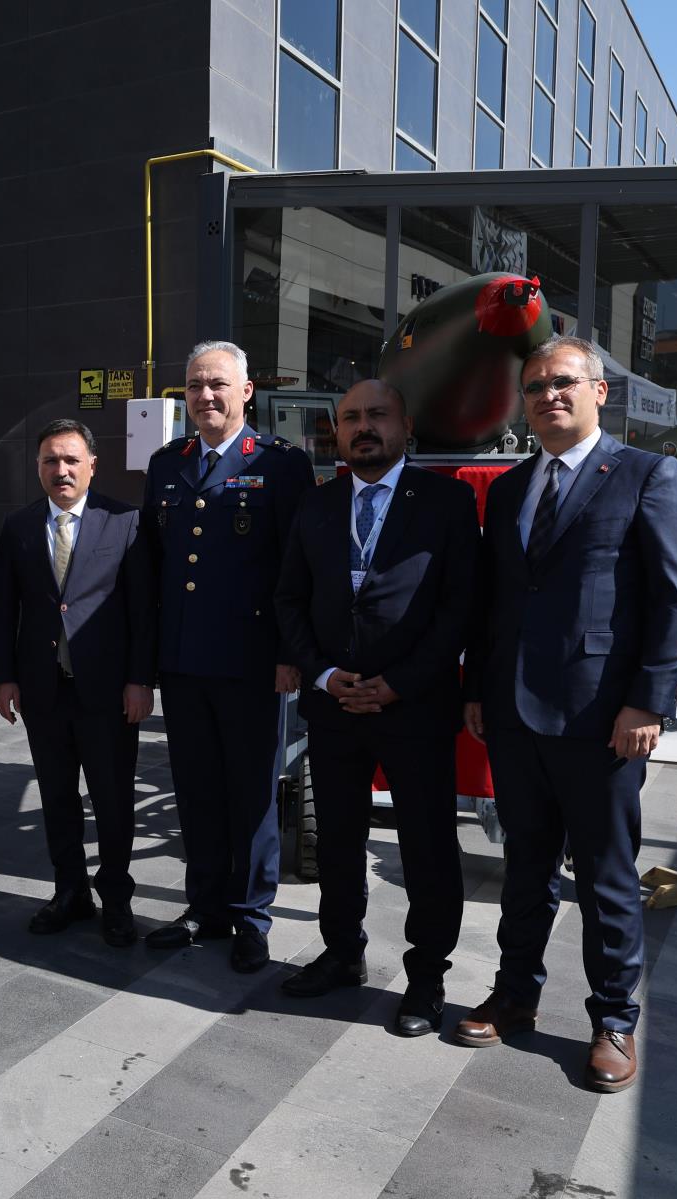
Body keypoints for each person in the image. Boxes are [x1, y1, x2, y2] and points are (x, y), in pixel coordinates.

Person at [459, 334, 677, 1092]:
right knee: (525, 866)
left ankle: (613, 1020)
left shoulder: (647, 475)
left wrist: (647, 701)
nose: (547, 396)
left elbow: (674, 597)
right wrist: (477, 688)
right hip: (514, 714)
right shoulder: (509, 488)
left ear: (599, 391)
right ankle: (514, 995)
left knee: (604, 877)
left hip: (601, 719)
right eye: (534, 387)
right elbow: (496, 602)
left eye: (562, 381)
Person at [274, 380, 479, 1035]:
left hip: (414, 707)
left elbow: (459, 607)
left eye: (377, 415)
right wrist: (322, 673)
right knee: (336, 841)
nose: (364, 427)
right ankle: (342, 953)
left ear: (405, 425)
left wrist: (399, 682)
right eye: (351, 418)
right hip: (333, 706)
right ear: (336, 431)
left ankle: (426, 977)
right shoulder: (316, 503)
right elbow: (289, 599)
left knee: (426, 847)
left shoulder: (446, 501)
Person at [141, 340, 314, 972]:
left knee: (252, 793)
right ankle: (206, 908)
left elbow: (298, 569)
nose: (205, 396)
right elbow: (153, 567)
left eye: (217, 384)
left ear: (246, 392)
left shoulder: (279, 464)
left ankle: (251, 916)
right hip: (184, 660)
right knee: (196, 790)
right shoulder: (168, 463)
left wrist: (292, 653)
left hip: (252, 662)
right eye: (194, 386)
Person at [0, 419, 156, 947]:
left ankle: (117, 899)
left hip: (108, 692)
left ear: (92, 465)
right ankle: (70, 892)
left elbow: (142, 611)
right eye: (50, 461)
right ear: (38, 467)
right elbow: (3, 609)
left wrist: (140, 680)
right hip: (43, 690)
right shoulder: (18, 526)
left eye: (70, 460)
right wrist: (4, 677)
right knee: (57, 797)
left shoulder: (125, 522)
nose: (60, 470)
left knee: (113, 799)